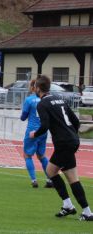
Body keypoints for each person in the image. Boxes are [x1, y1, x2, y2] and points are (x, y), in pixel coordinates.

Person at [29, 75, 92, 221]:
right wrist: (73, 138)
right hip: (71, 140)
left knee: (51, 171)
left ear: (38, 88)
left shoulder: (42, 104)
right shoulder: (59, 99)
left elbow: (44, 126)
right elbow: (76, 121)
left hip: (64, 143)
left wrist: (34, 134)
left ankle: (74, 207)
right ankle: (80, 209)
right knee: (71, 177)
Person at [20, 79, 53, 188]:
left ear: (34, 87)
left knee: (27, 155)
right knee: (42, 155)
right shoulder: (46, 100)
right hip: (43, 131)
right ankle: (50, 179)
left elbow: (23, 117)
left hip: (32, 131)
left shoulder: (29, 100)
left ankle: (34, 180)